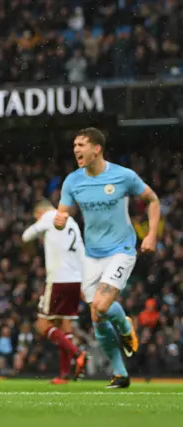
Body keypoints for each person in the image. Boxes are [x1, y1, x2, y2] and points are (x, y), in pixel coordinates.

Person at [54, 127, 160, 389]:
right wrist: (59, 221)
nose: (76, 149)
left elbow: (153, 199)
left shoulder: (123, 176)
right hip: (92, 255)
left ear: (96, 149)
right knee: (97, 317)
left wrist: (152, 236)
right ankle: (120, 374)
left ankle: (124, 324)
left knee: (101, 306)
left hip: (121, 250)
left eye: (81, 144)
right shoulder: (73, 181)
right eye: (74, 145)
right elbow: (62, 215)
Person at [22, 199, 88, 384]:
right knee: (64, 327)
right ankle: (64, 374)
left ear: (39, 213)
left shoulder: (50, 216)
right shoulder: (73, 223)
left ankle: (78, 353)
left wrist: (38, 227)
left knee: (43, 326)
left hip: (58, 279)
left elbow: (27, 236)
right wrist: (84, 283)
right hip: (75, 280)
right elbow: (82, 254)